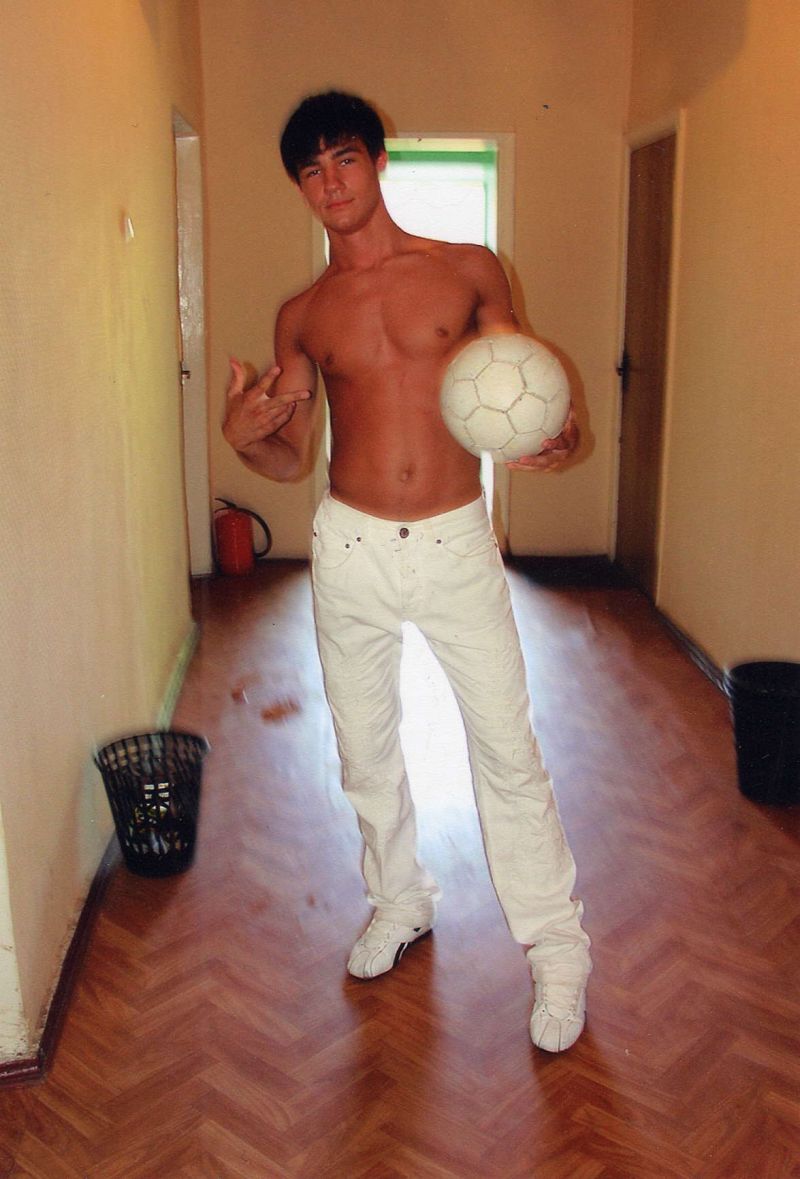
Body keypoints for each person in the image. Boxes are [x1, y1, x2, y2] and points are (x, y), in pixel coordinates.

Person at [223, 91, 591, 1052]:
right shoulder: (303, 315)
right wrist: (241, 435)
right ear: (301, 187)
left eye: (344, 158)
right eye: (311, 170)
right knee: (365, 751)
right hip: (349, 547)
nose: (330, 182)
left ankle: (556, 948)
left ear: (378, 160)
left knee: (507, 751)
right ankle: (399, 900)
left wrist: (557, 434)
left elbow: (522, 386)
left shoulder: (467, 270)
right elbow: (287, 458)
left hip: (454, 543)